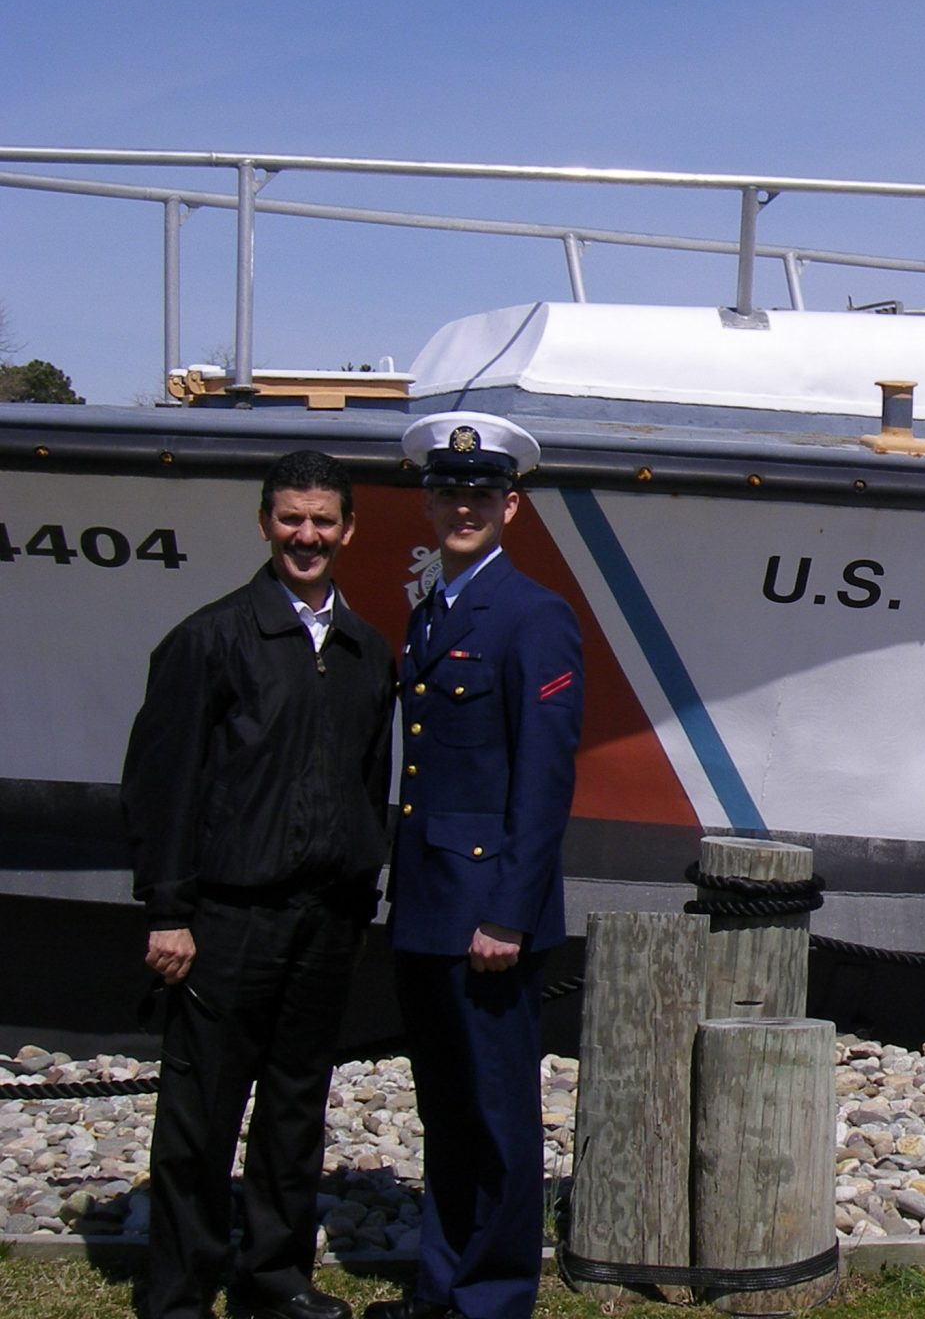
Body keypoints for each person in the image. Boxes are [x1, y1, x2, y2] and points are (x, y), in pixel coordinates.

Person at [123, 450, 395, 1319]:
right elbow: (161, 785)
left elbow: (369, 781)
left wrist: (360, 892)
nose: (306, 536)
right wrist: (168, 910)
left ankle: (276, 1279)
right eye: (290, 518)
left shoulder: (365, 650)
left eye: (322, 520)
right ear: (264, 523)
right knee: (198, 1119)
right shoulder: (209, 640)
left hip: (324, 920)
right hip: (228, 919)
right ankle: (178, 1292)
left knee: (293, 1110)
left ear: (349, 530)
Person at [367, 413, 583, 1319]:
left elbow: (543, 779)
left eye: (481, 494)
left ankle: (491, 1300)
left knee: (496, 1119)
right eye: (450, 492)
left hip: (487, 915)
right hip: (427, 904)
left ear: (512, 507)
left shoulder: (535, 616)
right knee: (446, 1113)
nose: (464, 506)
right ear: (428, 501)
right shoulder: (435, 610)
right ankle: (441, 1289)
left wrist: (507, 912)